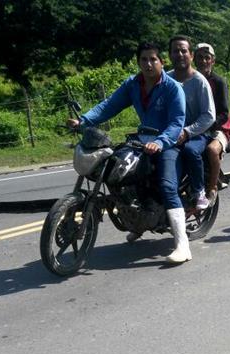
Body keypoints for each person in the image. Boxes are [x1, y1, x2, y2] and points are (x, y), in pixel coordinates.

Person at [67, 41, 192, 264]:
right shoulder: (133, 85)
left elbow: (176, 123)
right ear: (138, 63)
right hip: (142, 140)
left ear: (161, 62)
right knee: (117, 169)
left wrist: (161, 142)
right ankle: (138, 219)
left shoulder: (173, 88)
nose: (148, 64)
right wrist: (82, 121)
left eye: (153, 59)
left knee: (166, 185)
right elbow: (108, 106)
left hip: (168, 143)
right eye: (143, 59)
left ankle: (182, 245)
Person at [167, 36, 216, 210]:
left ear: (191, 55)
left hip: (197, 134)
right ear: (169, 55)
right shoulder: (166, 80)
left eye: (183, 51)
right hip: (170, 133)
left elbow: (209, 115)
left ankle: (199, 191)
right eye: (175, 51)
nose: (180, 55)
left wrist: (187, 132)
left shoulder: (199, 81)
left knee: (190, 150)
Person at [193, 42, 230, 205]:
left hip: (219, 128)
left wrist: (209, 125)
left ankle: (212, 188)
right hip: (197, 127)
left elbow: (224, 113)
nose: (203, 61)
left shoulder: (219, 82)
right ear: (194, 60)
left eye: (207, 58)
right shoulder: (190, 80)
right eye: (200, 58)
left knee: (211, 149)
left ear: (213, 61)